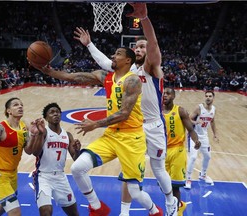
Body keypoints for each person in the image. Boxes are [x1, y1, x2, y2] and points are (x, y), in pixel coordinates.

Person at [28, 47, 163, 215]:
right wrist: (50, 72)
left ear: (128, 60)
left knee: (135, 192)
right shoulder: (105, 77)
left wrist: (95, 124)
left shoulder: (133, 80)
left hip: (131, 139)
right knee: (77, 168)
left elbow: (124, 113)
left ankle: (154, 211)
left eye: (118, 54)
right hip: (111, 136)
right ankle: (97, 207)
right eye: (114, 53)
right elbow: (75, 77)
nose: (113, 56)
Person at [73, 3, 177, 216]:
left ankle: (170, 202)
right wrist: (90, 44)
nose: (139, 49)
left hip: (153, 126)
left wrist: (145, 19)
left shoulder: (152, 67)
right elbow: (104, 62)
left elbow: (154, 45)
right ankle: (124, 211)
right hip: (131, 129)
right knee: (127, 173)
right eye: (136, 47)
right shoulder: (127, 70)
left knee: (158, 170)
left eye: (142, 46)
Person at [0, 97, 39, 216]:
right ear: (8, 111)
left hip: (13, 174)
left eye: (21, 104)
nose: (20, 107)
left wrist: (34, 136)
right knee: (15, 212)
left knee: (3, 206)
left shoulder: (24, 126)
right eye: (16, 105)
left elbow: (29, 151)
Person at [31, 102, 81, 216]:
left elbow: (75, 158)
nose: (55, 114)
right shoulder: (44, 133)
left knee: (74, 213)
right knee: (46, 211)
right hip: (43, 176)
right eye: (52, 112)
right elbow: (35, 153)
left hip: (60, 177)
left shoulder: (67, 135)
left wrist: (77, 150)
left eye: (57, 112)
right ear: (46, 117)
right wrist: (39, 135)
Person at [163, 87, 201, 216]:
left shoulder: (180, 111)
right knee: (165, 187)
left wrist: (196, 140)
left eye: (168, 93)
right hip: (162, 152)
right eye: (163, 93)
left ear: (173, 96)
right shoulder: (157, 111)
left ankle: (177, 210)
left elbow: (190, 129)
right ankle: (176, 205)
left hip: (178, 151)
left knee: (175, 186)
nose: (165, 95)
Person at [185, 90, 219, 189]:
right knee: (193, 157)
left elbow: (212, 122)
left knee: (207, 156)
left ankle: (203, 175)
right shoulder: (199, 108)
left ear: (213, 98)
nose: (208, 98)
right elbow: (188, 119)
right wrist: (195, 122)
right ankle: (188, 178)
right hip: (194, 136)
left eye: (210, 96)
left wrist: (215, 134)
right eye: (206, 96)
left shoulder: (213, 109)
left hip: (204, 136)